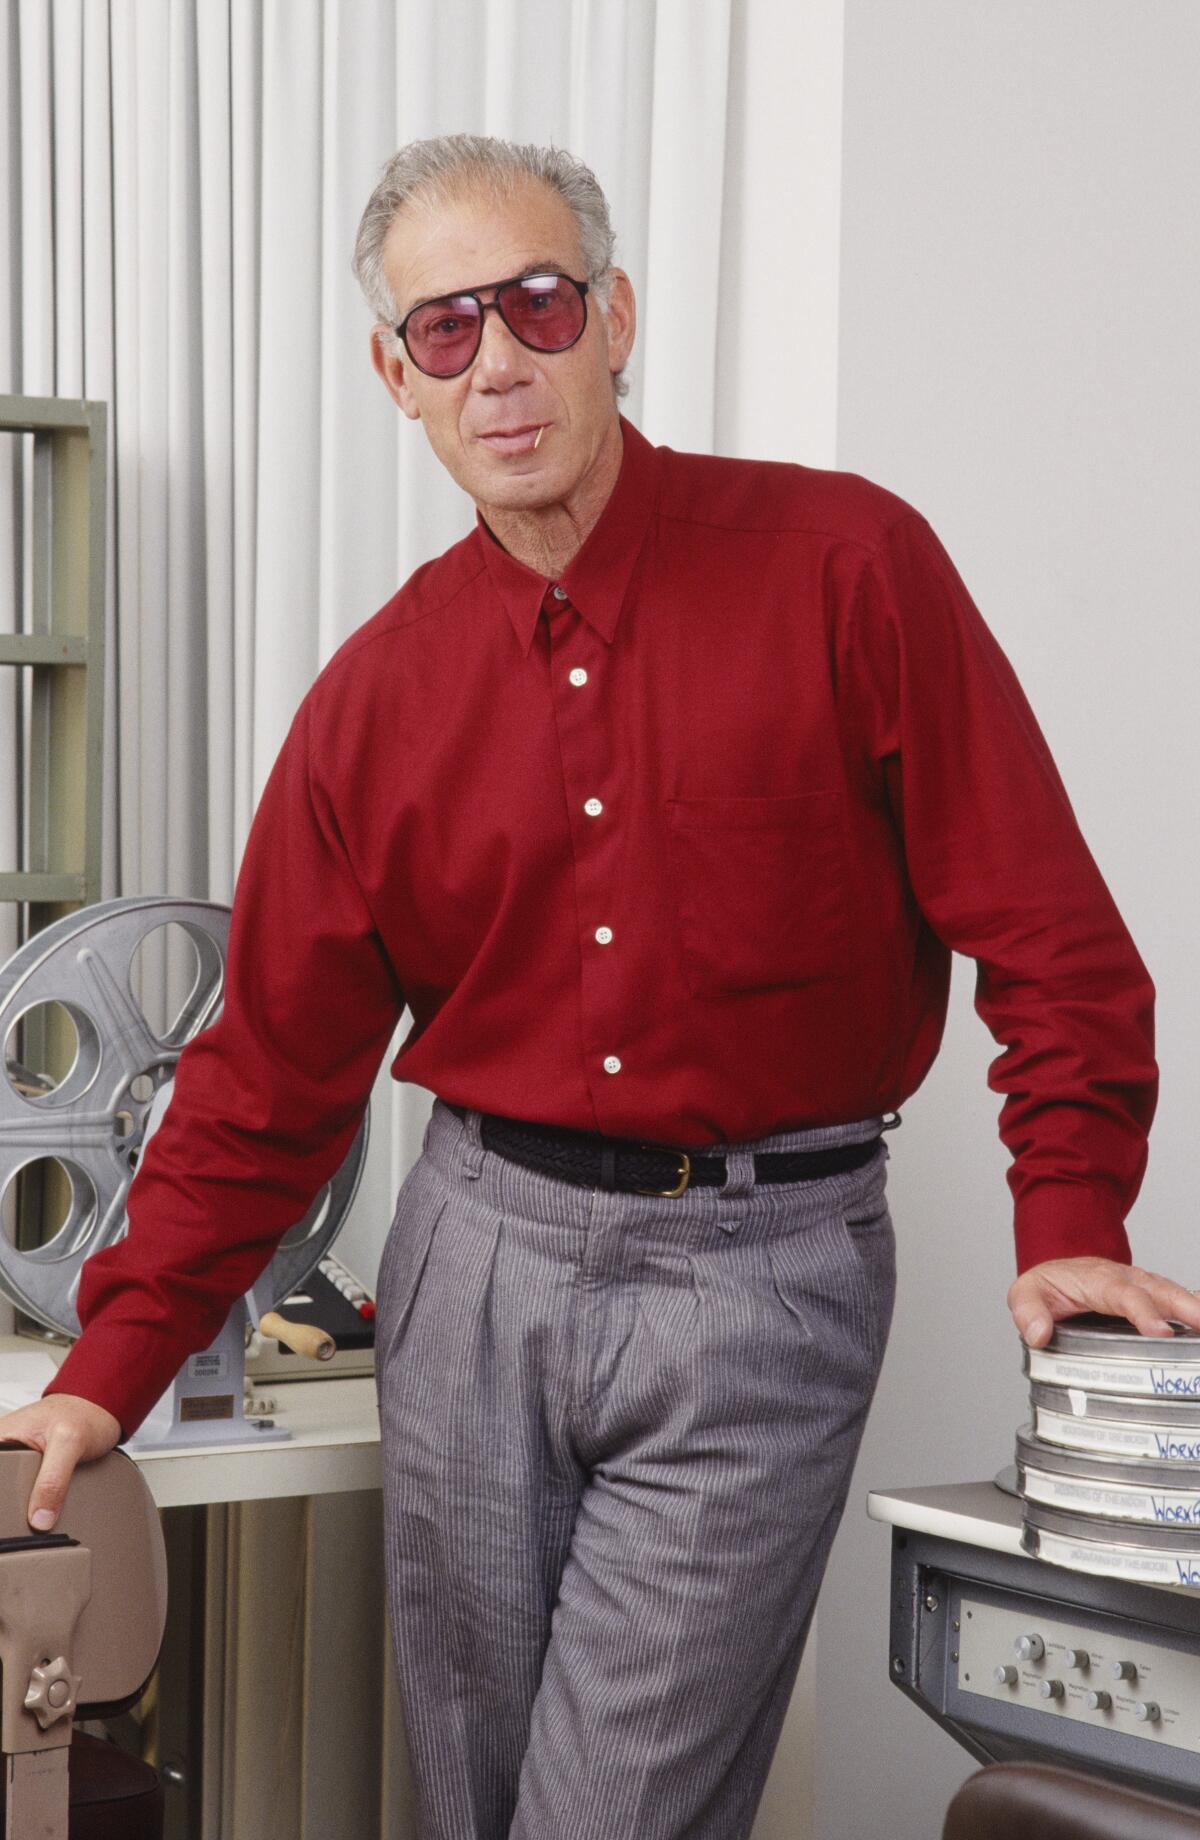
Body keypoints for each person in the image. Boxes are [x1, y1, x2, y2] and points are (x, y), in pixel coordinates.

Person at [2, 132, 1196, 1837]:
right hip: (474, 1267)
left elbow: (1053, 936)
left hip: (762, 1280)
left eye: (538, 304)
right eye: (444, 330)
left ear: (615, 316)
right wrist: (112, 1361)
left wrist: (1071, 1209)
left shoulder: (850, 569)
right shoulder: (373, 701)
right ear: (394, 375)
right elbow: (266, 1082)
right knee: (482, 1809)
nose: (498, 362)